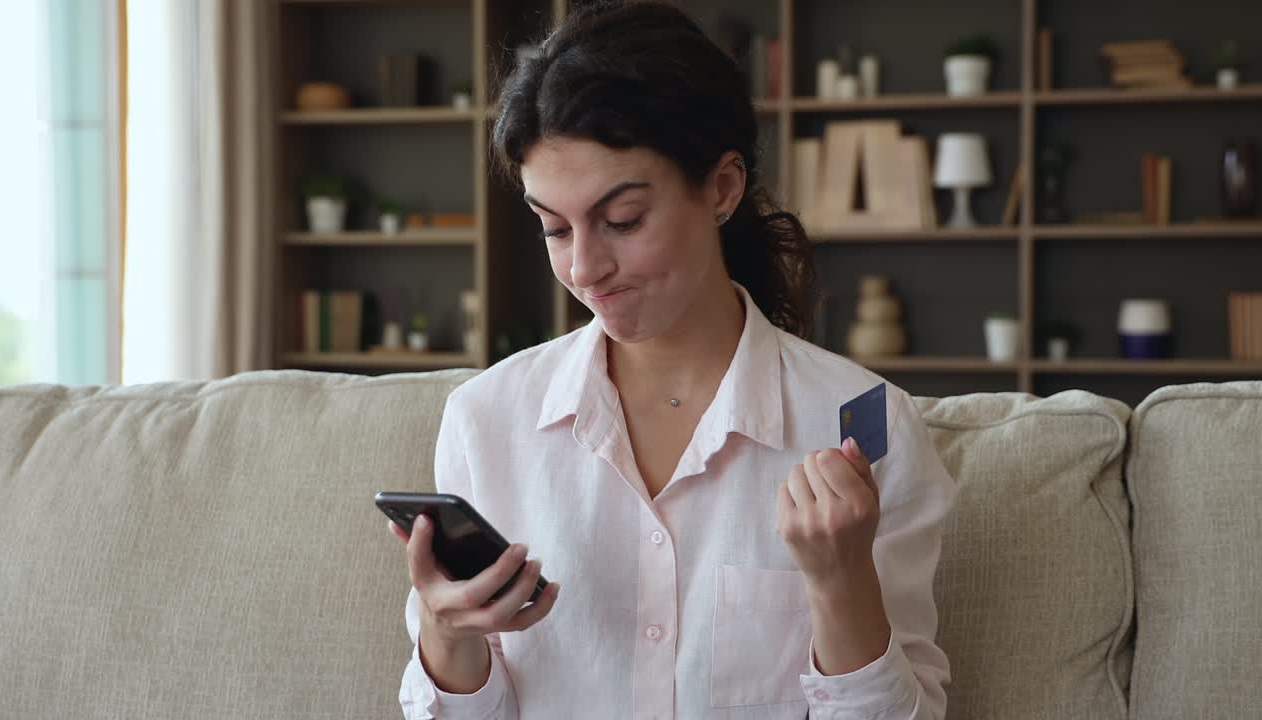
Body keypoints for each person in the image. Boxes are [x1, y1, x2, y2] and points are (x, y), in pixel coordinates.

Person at [388, 2, 956, 717]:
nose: (586, 268)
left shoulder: (859, 426)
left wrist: (842, 583)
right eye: (554, 228)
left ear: (721, 188)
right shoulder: (486, 421)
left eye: (622, 220)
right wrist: (445, 631)